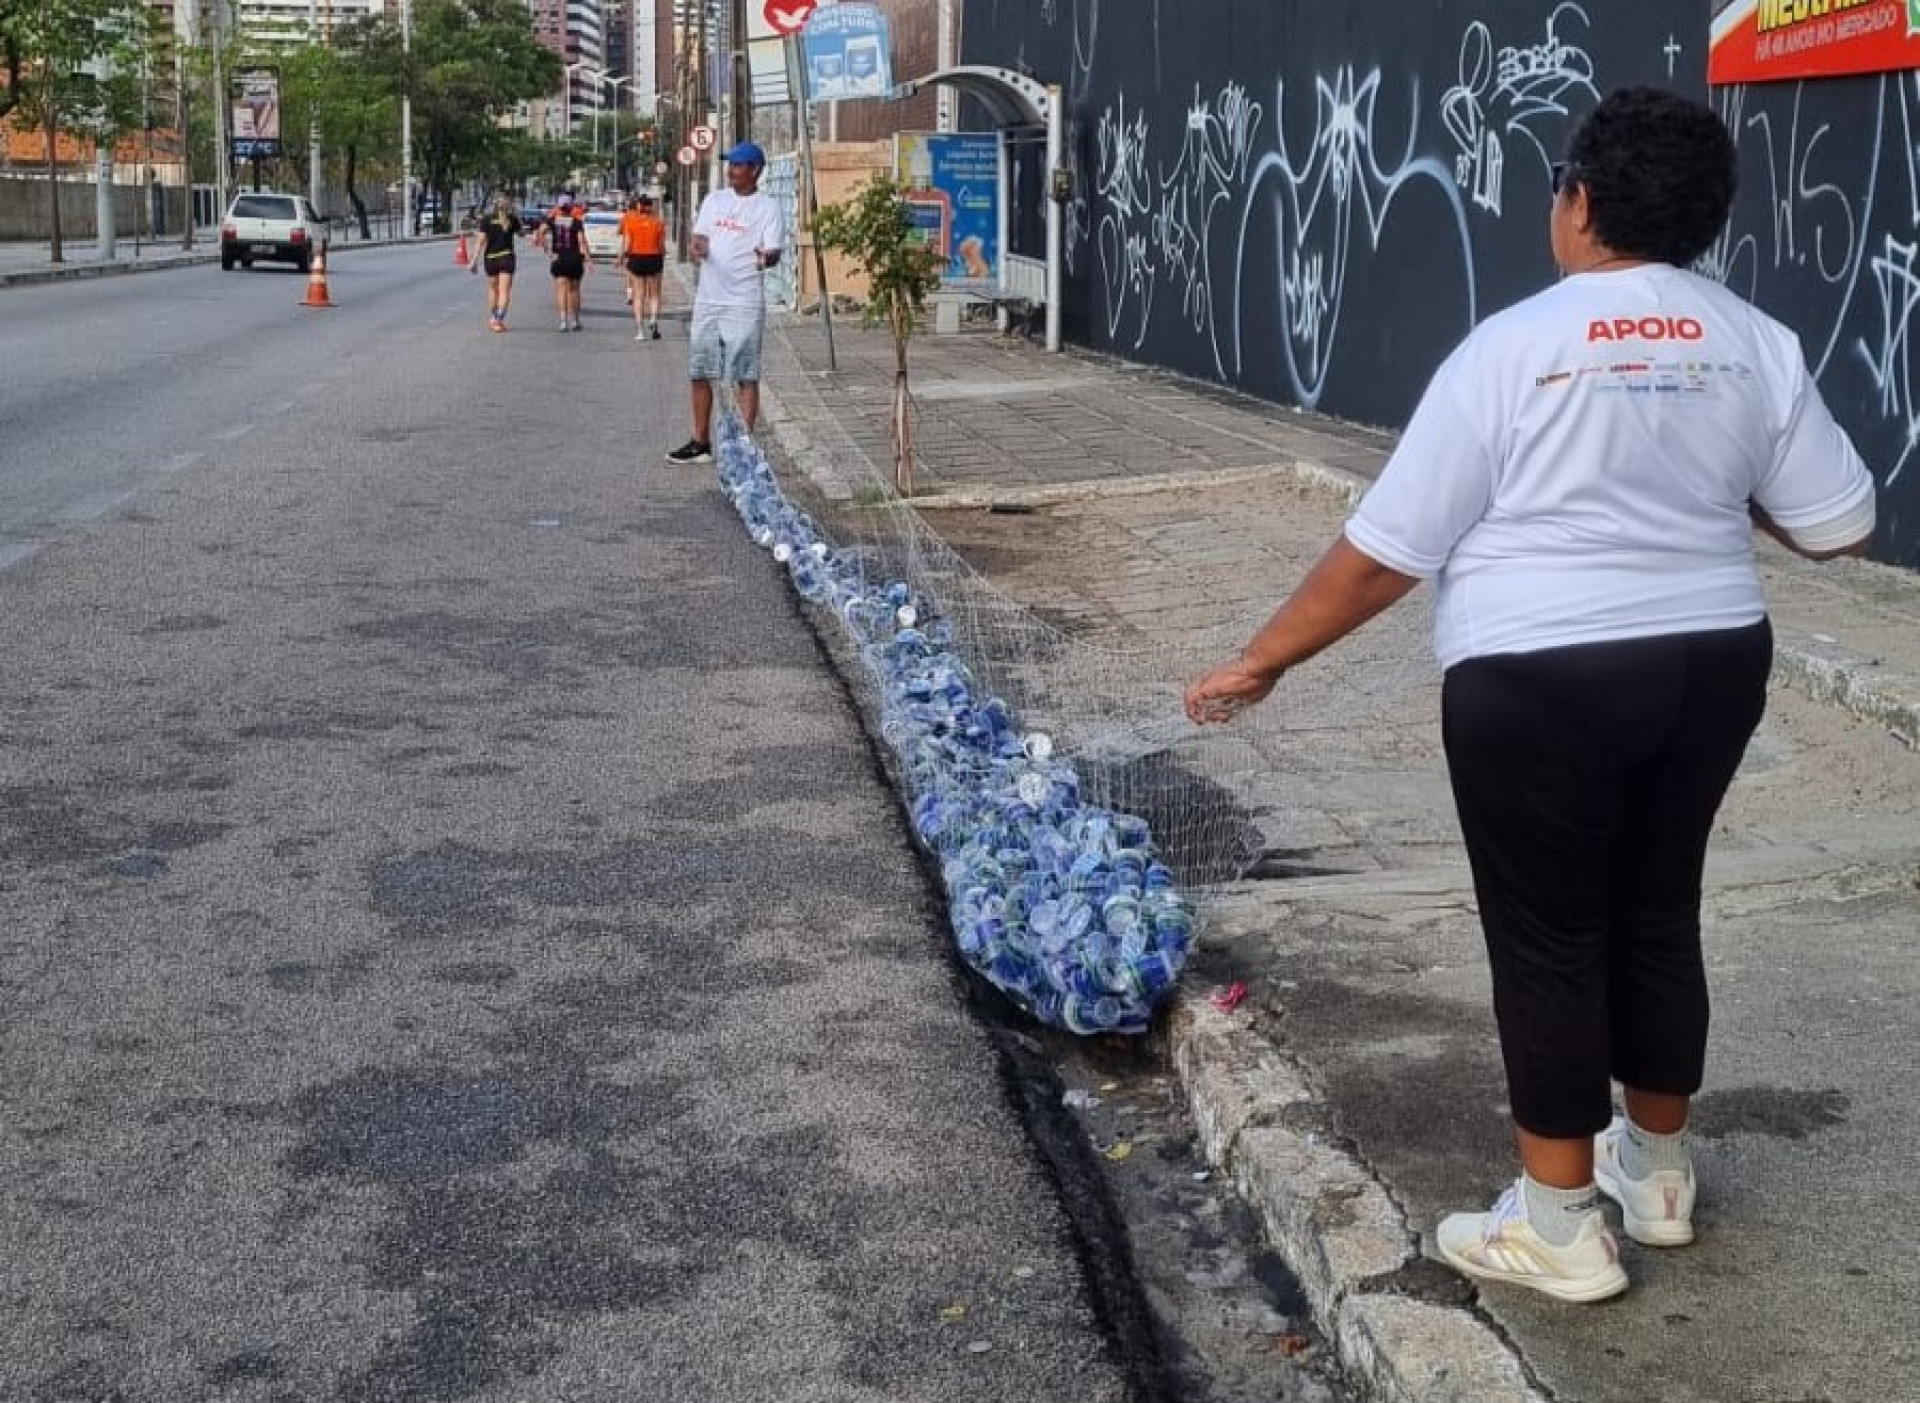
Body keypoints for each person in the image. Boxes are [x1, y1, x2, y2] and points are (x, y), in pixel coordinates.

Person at [1184, 87, 1876, 1303]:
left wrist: (1264, 659)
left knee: (1551, 937)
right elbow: (1841, 524)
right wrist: (1719, 484)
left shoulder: (1511, 346)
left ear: (1582, 203)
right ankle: (1655, 1174)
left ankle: (1558, 1222)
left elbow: (1383, 551)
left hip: (1540, 675)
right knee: (1658, 908)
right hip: (1711, 660)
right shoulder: (1754, 339)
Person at [665, 142, 786, 464]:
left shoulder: (767, 207)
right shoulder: (715, 200)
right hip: (708, 299)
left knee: (745, 373)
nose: (731, 171)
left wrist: (767, 257)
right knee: (700, 370)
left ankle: (744, 447)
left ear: (755, 170)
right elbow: (701, 236)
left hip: (744, 301)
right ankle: (700, 441)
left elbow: (774, 251)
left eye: (738, 165)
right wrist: (698, 247)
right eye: (730, 165)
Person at [464, 195, 523, 333]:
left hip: (490, 259)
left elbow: (480, 241)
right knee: (504, 291)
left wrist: (473, 261)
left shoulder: (487, 220)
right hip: (507, 258)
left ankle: (493, 318)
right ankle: (499, 320)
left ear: (494, 206)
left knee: (493, 290)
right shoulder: (512, 219)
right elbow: (521, 233)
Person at [536, 193, 591, 332]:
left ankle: (563, 320)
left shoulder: (554, 221)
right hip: (574, 258)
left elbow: (540, 232)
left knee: (561, 290)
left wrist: (547, 251)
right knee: (574, 290)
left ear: (559, 207)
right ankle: (575, 320)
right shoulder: (576, 222)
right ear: (571, 207)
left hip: (559, 258)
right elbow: (581, 241)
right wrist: (588, 259)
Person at [621, 192, 668, 341]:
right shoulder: (659, 223)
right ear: (651, 207)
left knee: (638, 295)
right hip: (654, 258)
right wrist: (663, 253)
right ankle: (654, 319)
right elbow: (661, 247)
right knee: (654, 294)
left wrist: (622, 257)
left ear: (639, 207)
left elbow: (627, 244)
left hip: (636, 258)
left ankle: (640, 331)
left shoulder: (631, 222)